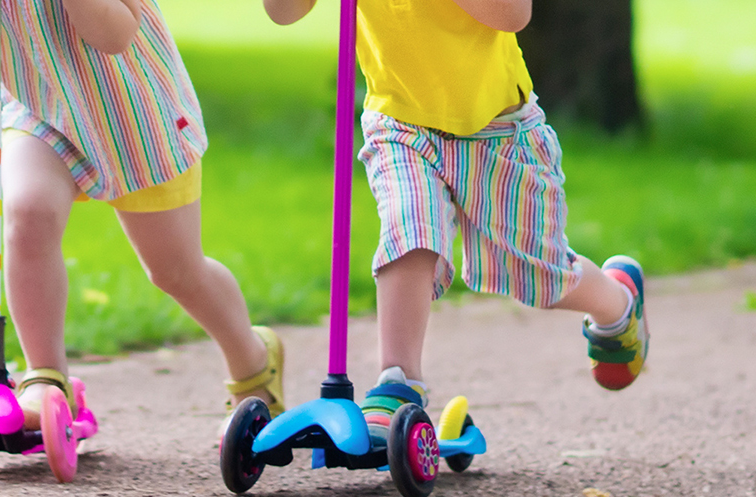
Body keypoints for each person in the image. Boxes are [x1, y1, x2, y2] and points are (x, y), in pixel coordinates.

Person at [262, 0, 652, 436]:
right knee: (410, 226)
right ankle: (398, 382)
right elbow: (282, 13)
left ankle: (617, 302)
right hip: (400, 124)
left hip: (498, 130)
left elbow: (513, 16)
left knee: (537, 273)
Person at [0, 0, 286, 427]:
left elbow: (114, 34)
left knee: (176, 270)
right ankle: (46, 378)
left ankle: (252, 360)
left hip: (134, 112)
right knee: (28, 212)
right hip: (39, 108)